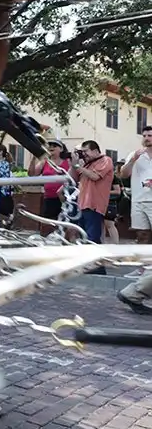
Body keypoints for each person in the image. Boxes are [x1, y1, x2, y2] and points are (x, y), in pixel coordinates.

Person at [117, 127, 152, 308]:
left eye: (150, 135)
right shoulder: (135, 154)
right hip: (139, 200)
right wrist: (133, 159)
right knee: (142, 235)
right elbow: (123, 174)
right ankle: (142, 268)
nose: (147, 138)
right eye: (144, 136)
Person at [69, 140, 114, 249]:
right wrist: (73, 164)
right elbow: (72, 178)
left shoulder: (106, 160)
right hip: (82, 205)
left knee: (92, 240)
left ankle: (97, 265)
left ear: (95, 151)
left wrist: (79, 167)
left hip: (94, 205)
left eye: (86, 151)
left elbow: (95, 177)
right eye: (82, 152)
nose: (83, 154)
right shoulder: (85, 164)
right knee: (82, 238)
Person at [29, 140, 72, 231]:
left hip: (64, 198)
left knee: (64, 223)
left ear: (61, 149)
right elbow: (32, 174)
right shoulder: (45, 162)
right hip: (49, 198)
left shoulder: (67, 162)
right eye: (50, 145)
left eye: (55, 146)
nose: (51, 147)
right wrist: (34, 158)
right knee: (48, 224)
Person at [105, 162, 123, 244]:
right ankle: (102, 244)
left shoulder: (113, 177)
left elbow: (117, 191)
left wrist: (103, 192)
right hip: (101, 202)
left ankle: (116, 244)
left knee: (110, 224)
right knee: (101, 224)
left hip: (110, 202)